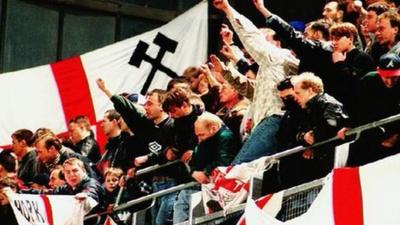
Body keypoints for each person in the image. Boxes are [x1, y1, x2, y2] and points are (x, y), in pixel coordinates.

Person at [213, 0, 299, 164]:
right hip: (266, 123)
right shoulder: (270, 69)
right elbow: (250, 89)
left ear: (276, 42)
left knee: (236, 172)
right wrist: (225, 71)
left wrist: (228, 9)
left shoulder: (279, 57)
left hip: (273, 119)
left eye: (263, 41)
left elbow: (251, 36)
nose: (253, 49)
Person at [173, 112, 238, 223]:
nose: (199, 139)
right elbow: (194, 159)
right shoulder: (207, 139)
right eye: (197, 135)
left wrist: (205, 172)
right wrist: (194, 172)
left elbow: (224, 161)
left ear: (213, 128)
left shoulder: (225, 138)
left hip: (209, 188)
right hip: (196, 184)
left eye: (201, 135)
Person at [292, 72, 348, 181]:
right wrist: (304, 137)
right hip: (321, 162)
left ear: (309, 90)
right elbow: (297, 134)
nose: (295, 97)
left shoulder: (329, 103)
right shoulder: (307, 109)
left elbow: (331, 126)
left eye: (298, 93)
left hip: (335, 159)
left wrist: (312, 136)